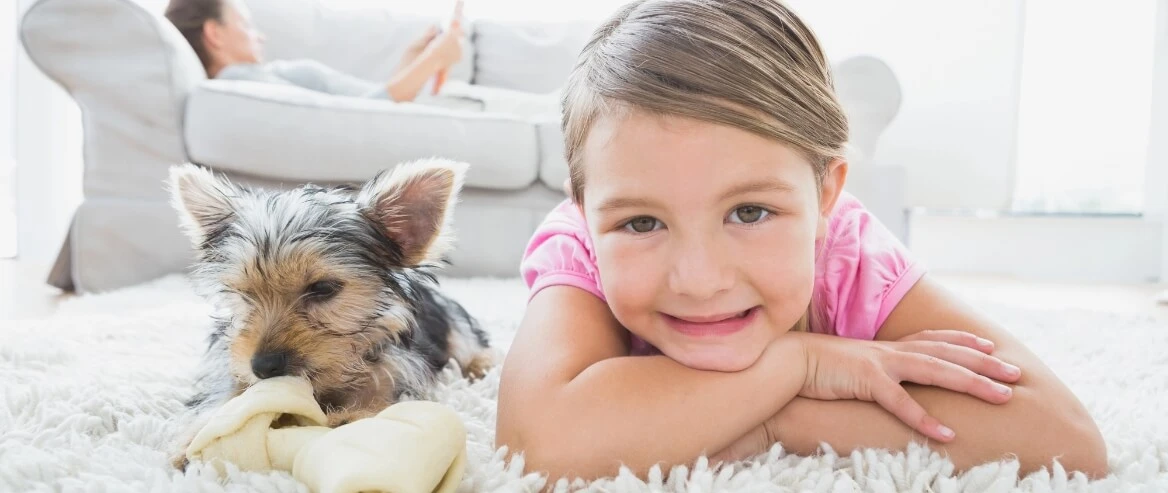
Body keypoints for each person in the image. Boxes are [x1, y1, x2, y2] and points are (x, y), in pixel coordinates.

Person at [497, 0, 1109, 483]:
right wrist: (802, 363)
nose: (700, 278)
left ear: (826, 197)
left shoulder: (848, 257)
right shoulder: (581, 247)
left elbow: (1066, 440)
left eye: (750, 211)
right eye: (641, 224)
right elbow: (538, 445)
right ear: (585, 213)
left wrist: (780, 418)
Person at [165, 0, 463, 102]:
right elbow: (362, 114)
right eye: (246, 24)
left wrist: (413, 59)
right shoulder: (238, 82)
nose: (261, 36)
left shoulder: (254, 78)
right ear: (214, 34)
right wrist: (434, 58)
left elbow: (374, 106)